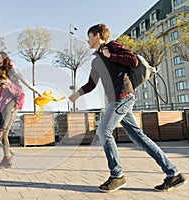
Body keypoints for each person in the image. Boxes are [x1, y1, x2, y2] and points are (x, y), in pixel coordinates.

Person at [69, 24, 187, 193]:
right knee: (139, 138)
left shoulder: (113, 46)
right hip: (115, 101)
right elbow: (91, 84)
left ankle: (117, 176)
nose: (87, 40)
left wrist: (112, 55)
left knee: (103, 131)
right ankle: (173, 173)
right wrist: (77, 94)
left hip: (123, 96)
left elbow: (133, 60)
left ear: (97, 35)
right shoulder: (96, 61)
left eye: (89, 36)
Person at [0, 65, 25, 169]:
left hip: (10, 109)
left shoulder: (8, 83)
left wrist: (17, 106)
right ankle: (8, 153)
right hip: (3, 109)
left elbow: (20, 93)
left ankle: (7, 159)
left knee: (2, 133)